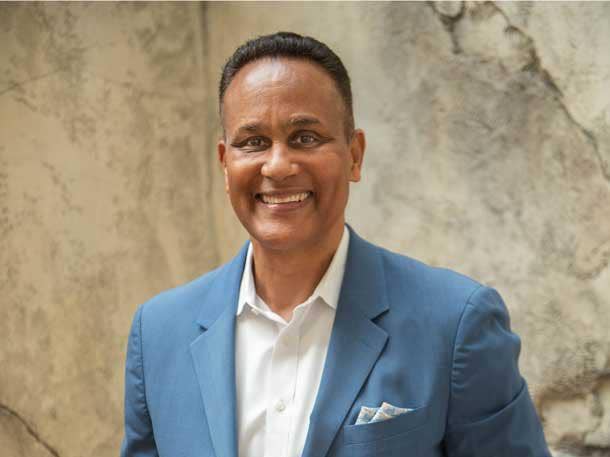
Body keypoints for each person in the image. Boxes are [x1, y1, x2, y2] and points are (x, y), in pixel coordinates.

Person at [121, 32, 551, 457]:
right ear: (225, 165)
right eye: (253, 143)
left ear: (354, 156)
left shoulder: (455, 324)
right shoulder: (159, 333)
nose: (278, 166)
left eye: (305, 137)